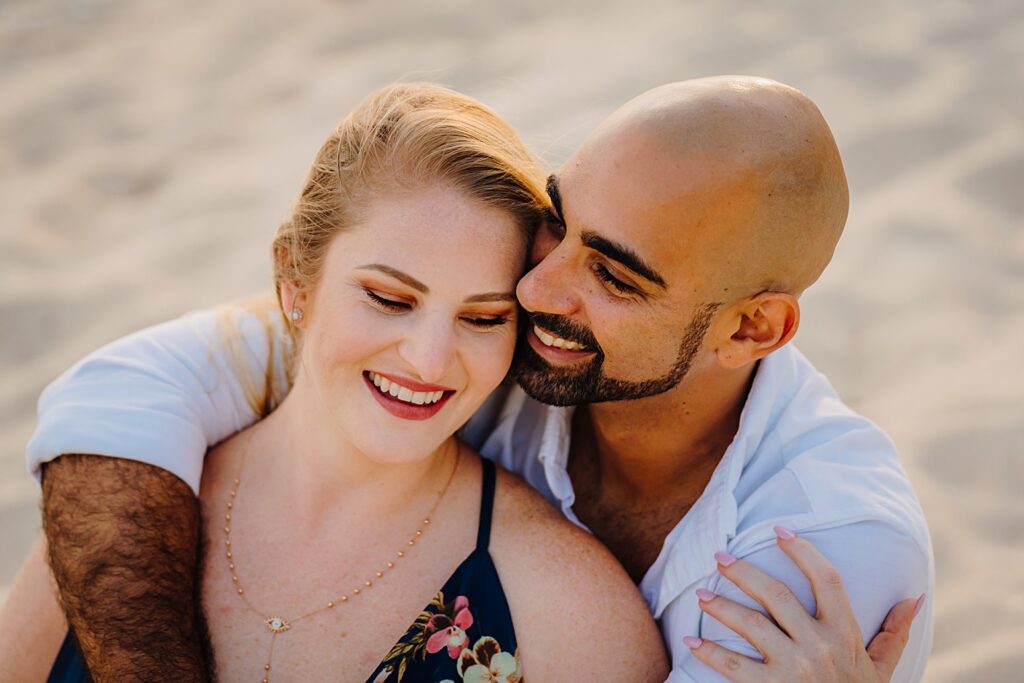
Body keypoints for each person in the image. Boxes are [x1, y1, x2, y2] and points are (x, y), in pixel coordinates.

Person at [13, 76, 932, 682]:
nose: (536, 288)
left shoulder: (822, 552)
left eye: (612, 273)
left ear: (751, 328)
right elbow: (124, 388)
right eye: (558, 221)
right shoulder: (521, 346)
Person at [1, 83, 671, 682]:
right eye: (389, 298)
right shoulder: (122, 505)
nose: (431, 361)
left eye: (483, 316)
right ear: (294, 279)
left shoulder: (569, 617)